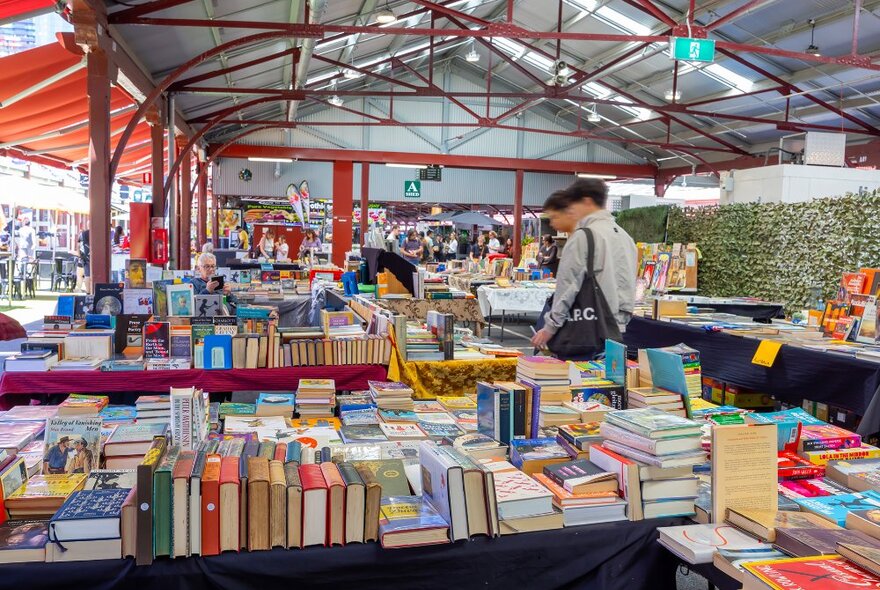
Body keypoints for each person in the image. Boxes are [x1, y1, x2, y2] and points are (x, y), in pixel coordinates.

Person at [530, 179, 637, 354]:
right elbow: (628, 286)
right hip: (616, 330)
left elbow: (567, 286)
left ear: (587, 201)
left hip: (584, 330)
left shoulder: (584, 236)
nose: (571, 211)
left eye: (574, 204)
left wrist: (550, 327)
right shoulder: (625, 237)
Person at [78, 226, 90, 293]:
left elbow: (78, 245)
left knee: (87, 274)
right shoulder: (98, 233)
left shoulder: (82, 234)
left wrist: (79, 255)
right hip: (96, 255)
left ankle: (88, 292)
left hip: (85, 256)